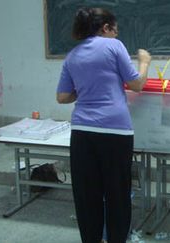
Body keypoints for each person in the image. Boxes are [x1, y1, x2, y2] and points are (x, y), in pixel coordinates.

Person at [56, 7, 151, 243]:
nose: (117, 35)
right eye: (115, 30)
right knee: (117, 194)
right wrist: (144, 62)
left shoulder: (73, 55)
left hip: (81, 132)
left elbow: (63, 97)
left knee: (87, 196)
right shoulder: (114, 47)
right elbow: (136, 84)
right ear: (105, 28)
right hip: (114, 131)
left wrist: (87, 87)